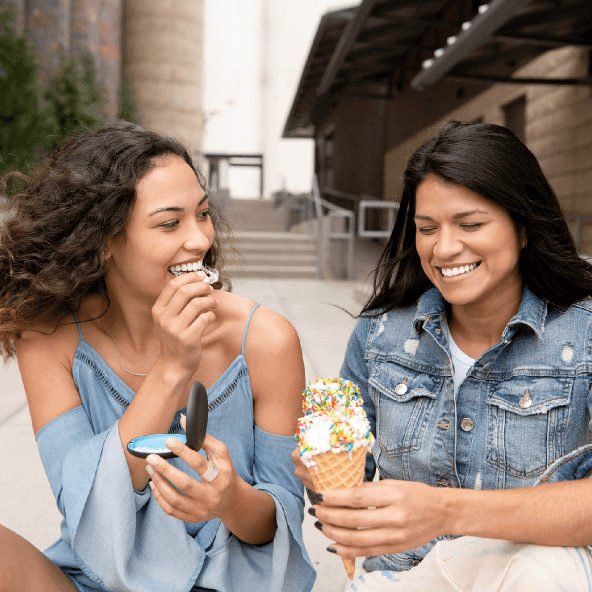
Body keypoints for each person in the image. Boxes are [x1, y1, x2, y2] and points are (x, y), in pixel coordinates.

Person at [0, 120, 315, 592]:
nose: (200, 240)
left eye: (203, 214)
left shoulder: (265, 339)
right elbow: (88, 514)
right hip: (98, 577)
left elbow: (278, 523)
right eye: (170, 223)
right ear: (103, 240)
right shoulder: (48, 337)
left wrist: (227, 499)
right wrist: (173, 368)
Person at [293, 121, 592, 590]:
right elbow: (342, 480)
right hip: (402, 577)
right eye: (427, 228)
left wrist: (445, 511)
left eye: (470, 224)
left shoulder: (585, 332)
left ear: (524, 226)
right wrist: (321, 476)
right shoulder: (378, 333)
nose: (444, 248)